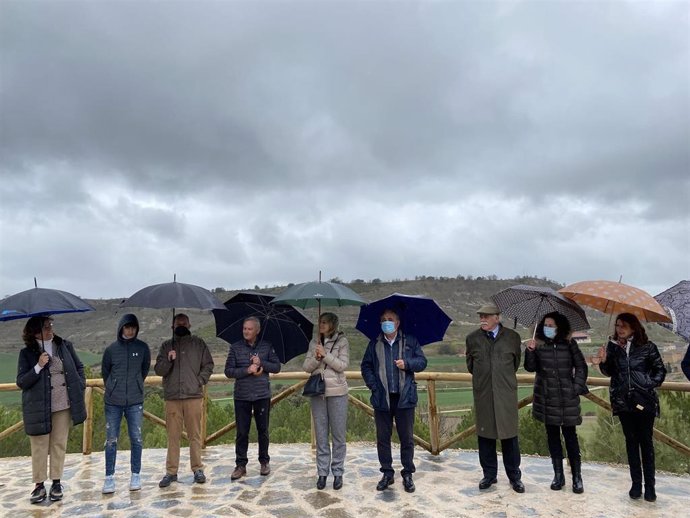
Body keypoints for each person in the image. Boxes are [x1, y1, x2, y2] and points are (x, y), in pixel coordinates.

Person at [594, 312, 666, 502]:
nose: (620, 329)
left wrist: (647, 383)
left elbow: (660, 371)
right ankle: (636, 484)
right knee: (631, 444)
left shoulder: (648, 347)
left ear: (634, 327)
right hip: (622, 402)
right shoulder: (612, 347)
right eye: (617, 325)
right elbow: (609, 372)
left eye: (624, 325)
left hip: (644, 401)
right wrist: (602, 361)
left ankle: (650, 486)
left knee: (646, 443)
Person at [16, 316, 86, 504]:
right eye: (46, 327)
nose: (50, 329)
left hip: (62, 405)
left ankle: (56, 482)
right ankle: (39, 485)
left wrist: (80, 384)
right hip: (39, 407)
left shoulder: (64, 346)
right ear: (34, 332)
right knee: (39, 446)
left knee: (58, 443)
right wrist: (38, 366)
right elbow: (22, 382)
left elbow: (79, 367)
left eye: (51, 325)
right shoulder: (27, 353)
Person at [360, 308, 427, 493]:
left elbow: (422, 362)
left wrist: (407, 364)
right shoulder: (374, 344)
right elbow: (366, 367)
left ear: (397, 323)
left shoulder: (410, 341)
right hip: (382, 398)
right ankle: (387, 473)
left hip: (404, 397)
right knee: (383, 438)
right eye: (383, 319)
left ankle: (407, 473)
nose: (386, 322)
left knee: (406, 438)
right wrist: (374, 385)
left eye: (390, 319)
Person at [524, 312, 588, 493]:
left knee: (571, 438)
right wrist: (530, 351)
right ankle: (558, 476)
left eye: (551, 325)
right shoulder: (539, 344)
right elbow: (531, 368)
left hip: (567, 399)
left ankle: (577, 477)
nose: (547, 328)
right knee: (552, 438)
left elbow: (581, 367)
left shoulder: (569, 344)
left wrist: (576, 388)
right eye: (546, 325)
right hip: (547, 398)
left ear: (559, 327)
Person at [465, 304, 524, 493]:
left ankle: (514, 477)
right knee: (485, 436)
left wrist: (500, 380)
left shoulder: (513, 338)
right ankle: (489, 475)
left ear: (497, 318)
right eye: (481, 316)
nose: (482, 319)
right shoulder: (472, 339)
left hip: (505, 395)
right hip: (483, 394)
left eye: (486, 316)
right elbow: (471, 366)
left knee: (509, 437)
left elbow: (515, 364)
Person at [154, 313, 214, 488]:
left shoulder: (199, 344)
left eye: (184, 323)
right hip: (172, 397)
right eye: (178, 323)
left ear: (189, 325)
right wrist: (169, 360)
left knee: (194, 435)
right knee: (173, 436)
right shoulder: (166, 346)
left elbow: (208, 365)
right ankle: (171, 472)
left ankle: (197, 469)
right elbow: (159, 370)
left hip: (193, 396)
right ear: (172, 326)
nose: (181, 325)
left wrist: (200, 381)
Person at [224, 316, 281, 480]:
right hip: (242, 395)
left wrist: (261, 362)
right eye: (244, 328)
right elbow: (228, 371)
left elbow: (276, 367)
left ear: (257, 330)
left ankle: (264, 462)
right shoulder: (235, 348)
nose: (246, 331)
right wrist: (247, 370)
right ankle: (240, 465)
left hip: (262, 395)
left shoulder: (267, 346)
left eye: (249, 329)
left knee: (263, 430)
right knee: (242, 432)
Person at [101, 313, 151, 494]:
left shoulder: (143, 348)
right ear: (121, 328)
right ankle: (109, 477)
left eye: (133, 327)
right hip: (113, 402)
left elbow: (144, 370)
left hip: (135, 401)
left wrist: (136, 385)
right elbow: (105, 372)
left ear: (137, 328)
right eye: (127, 327)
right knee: (111, 440)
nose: (130, 330)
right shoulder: (111, 350)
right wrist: (113, 388)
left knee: (136, 439)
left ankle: (135, 474)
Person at [302, 312, 350, 490]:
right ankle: (322, 473)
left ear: (332, 324)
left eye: (324, 322)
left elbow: (342, 365)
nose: (321, 325)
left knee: (338, 435)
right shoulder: (314, 343)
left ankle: (338, 472)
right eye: (319, 322)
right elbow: (306, 367)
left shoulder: (342, 341)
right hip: (318, 392)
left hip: (337, 392)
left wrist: (326, 355)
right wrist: (316, 357)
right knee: (321, 435)